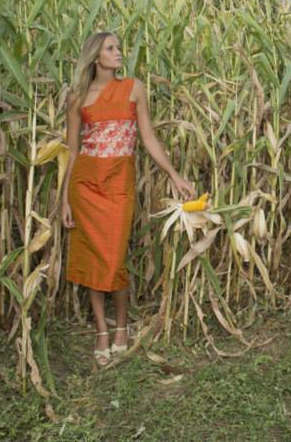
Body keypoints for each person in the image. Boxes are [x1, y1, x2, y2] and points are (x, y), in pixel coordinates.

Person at [61, 31, 195, 368]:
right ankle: (102, 331)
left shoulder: (134, 88)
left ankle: (122, 324)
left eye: (118, 47)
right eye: (111, 48)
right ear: (95, 56)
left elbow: (148, 137)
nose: (118, 52)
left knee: (114, 255)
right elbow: (72, 150)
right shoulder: (77, 98)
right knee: (93, 257)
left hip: (119, 181)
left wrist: (174, 175)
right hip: (86, 184)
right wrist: (65, 199)